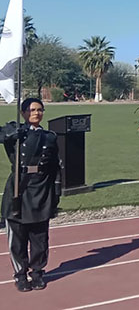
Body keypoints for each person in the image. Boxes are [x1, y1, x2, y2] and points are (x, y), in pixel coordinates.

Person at [1, 98, 61, 292]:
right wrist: (11, 133)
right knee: (17, 239)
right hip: (19, 190)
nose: (36, 113)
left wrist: (57, 191)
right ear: (23, 113)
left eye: (40, 110)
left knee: (39, 238)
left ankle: (37, 272)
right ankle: (20, 274)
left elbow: (55, 167)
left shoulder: (49, 137)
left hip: (41, 189)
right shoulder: (15, 133)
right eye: (32, 110)